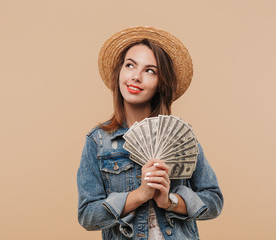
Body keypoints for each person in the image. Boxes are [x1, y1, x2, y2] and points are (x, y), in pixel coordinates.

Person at [77, 26, 223, 240]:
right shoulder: (98, 141)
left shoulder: (181, 137)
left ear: (160, 83)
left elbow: (214, 201)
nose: (136, 76)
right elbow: (88, 216)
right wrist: (140, 195)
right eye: (130, 65)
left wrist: (170, 201)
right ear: (119, 72)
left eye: (150, 70)